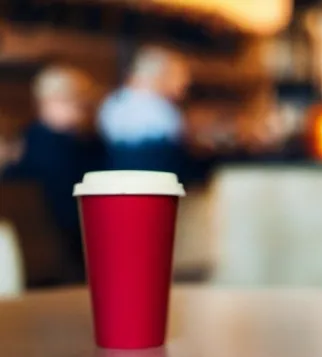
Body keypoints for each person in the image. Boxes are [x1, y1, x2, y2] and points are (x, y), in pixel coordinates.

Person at [2, 65, 104, 281]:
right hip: (62, 250)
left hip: (74, 247)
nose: (81, 108)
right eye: (74, 100)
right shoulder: (43, 145)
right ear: (46, 102)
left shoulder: (84, 142)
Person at [98, 46, 190, 173]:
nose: (185, 82)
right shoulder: (143, 107)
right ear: (162, 73)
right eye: (180, 74)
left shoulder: (156, 104)